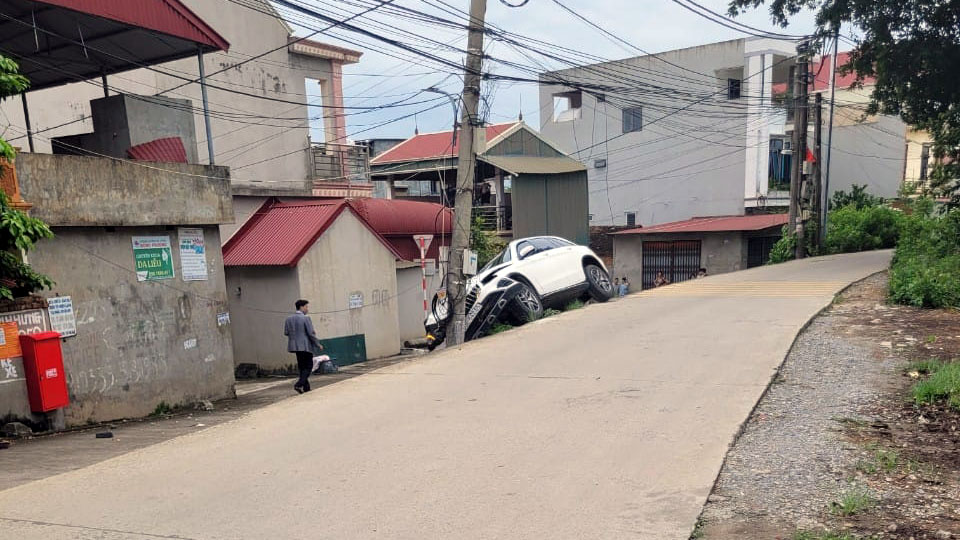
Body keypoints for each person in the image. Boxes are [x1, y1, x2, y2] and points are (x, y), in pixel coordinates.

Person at [284, 299, 322, 394]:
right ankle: (299, 384)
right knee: (309, 366)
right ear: (301, 307)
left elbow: (286, 332)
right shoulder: (305, 318)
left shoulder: (288, 319)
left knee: (302, 367)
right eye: (306, 307)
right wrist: (318, 344)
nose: (307, 309)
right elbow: (311, 333)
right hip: (305, 346)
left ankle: (306, 388)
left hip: (295, 346)